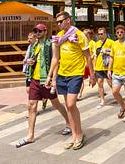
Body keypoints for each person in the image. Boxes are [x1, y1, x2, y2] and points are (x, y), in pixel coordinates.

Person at [16, 24, 71, 148]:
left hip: (46, 79)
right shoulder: (34, 45)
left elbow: (56, 61)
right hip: (34, 79)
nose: (37, 33)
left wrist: (53, 79)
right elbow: (31, 59)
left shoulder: (51, 44)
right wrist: (30, 61)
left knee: (56, 103)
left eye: (40, 31)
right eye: (36, 30)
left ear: (45, 31)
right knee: (31, 106)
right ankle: (30, 136)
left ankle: (69, 123)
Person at [47, 12, 96, 150]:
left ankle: (80, 134)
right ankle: (74, 135)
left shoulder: (79, 35)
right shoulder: (59, 37)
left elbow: (88, 57)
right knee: (68, 106)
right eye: (57, 22)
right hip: (62, 74)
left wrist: (92, 75)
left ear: (68, 20)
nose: (58, 24)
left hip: (76, 74)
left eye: (60, 21)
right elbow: (55, 58)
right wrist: (51, 77)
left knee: (71, 103)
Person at [93, 27, 114, 109]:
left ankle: (117, 96)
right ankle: (102, 100)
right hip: (99, 67)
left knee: (110, 83)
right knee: (100, 83)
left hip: (108, 66)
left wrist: (106, 51)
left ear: (105, 34)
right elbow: (95, 55)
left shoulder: (111, 42)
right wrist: (94, 67)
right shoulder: (96, 43)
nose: (100, 35)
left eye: (101, 34)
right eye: (99, 34)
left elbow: (113, 53)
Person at [23, 32, 37, 117]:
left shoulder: (37, 47)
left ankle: (32, 110)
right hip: (28, 71)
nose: (28, 40)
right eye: (28, 38)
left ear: (35, 39)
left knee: (31, 91)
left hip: (35, 71)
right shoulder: (29, 47)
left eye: (31, 38)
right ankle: (32, 109)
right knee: (28, 90)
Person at [78, 29, 95, 100]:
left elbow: (94, 53)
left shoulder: (92, 43)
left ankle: (101, 89)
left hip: (91, 65)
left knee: (96, 79)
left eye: (85, 34)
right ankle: (79, 94)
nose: (84, 35)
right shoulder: (81, 43)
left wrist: (91, 58)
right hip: (82, 65)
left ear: (89, 35)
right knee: (80, 80)